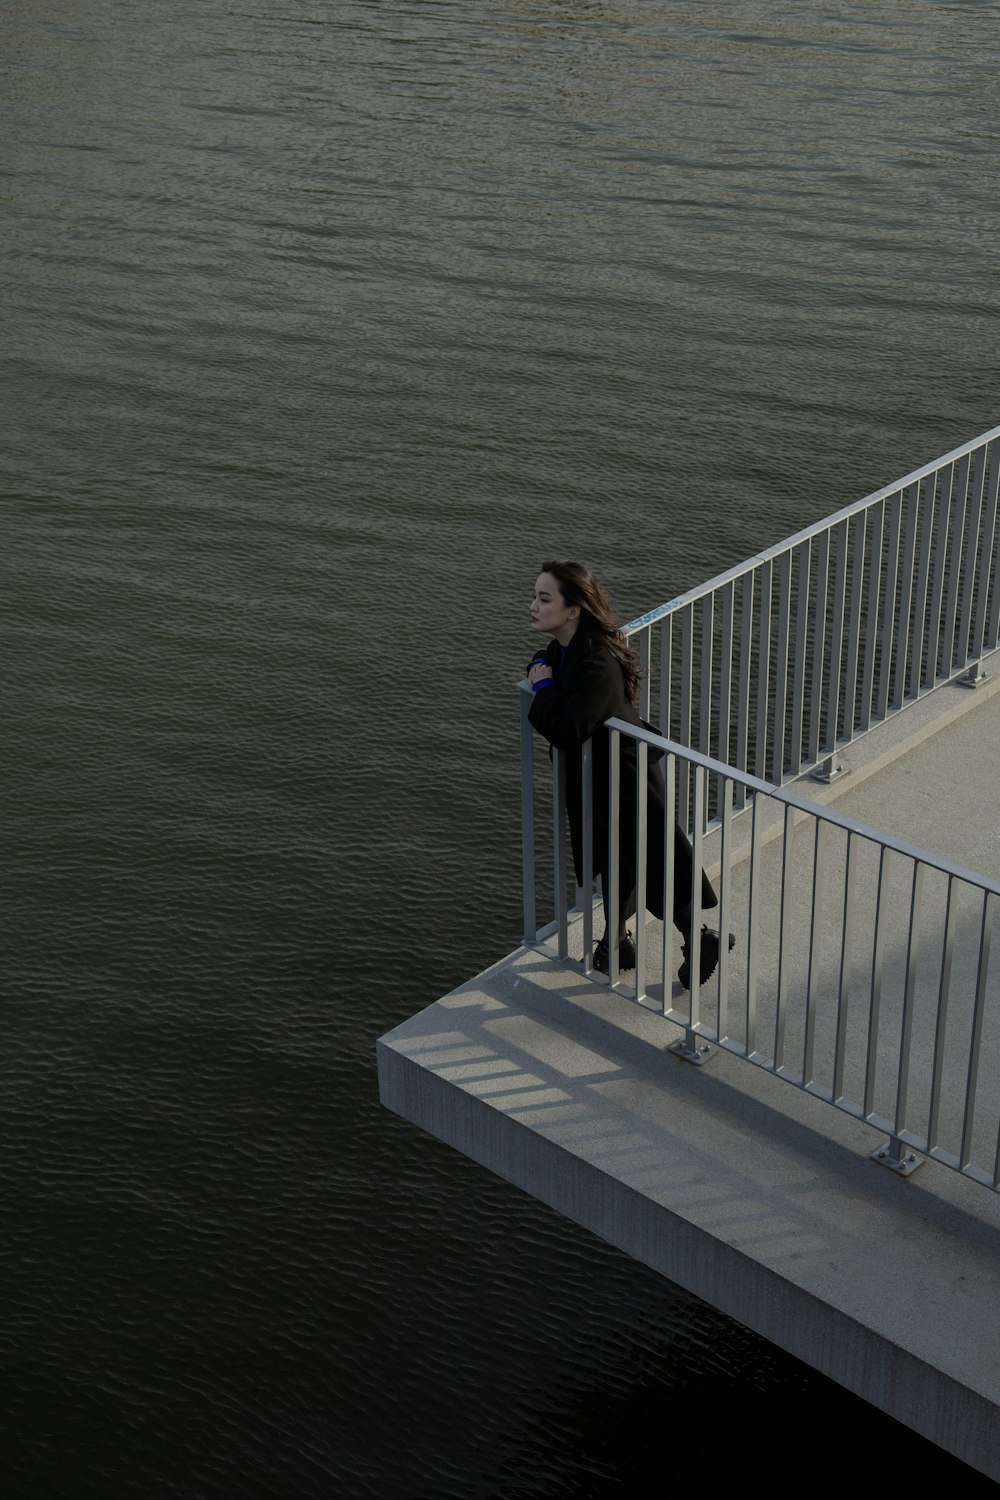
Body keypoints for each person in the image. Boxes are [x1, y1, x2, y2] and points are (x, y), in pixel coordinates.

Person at [526, 559, 733, 987]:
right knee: (610, 860)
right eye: (535, 596)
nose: (533, 605)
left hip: (628, 783)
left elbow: (568, 730)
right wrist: (541, 671)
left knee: (653, 866)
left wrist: (542, 689)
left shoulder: (597, 662)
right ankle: (617, 942)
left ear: (573, 609)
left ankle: (701, 939)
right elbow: (547, 662)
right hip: (598, 782)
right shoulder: (566, 647)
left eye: (544, 598)